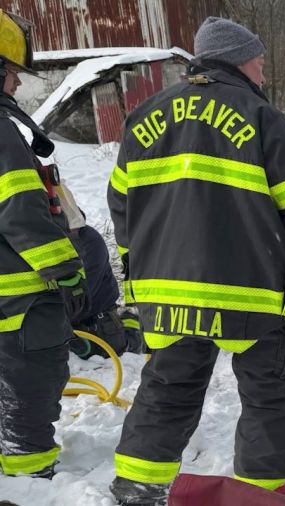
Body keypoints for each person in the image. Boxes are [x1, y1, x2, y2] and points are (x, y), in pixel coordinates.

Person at [106, 17, 285, 505]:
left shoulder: (144, 118)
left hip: (168, 293)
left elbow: (123, 207)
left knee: (167, 389)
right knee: (270, 400)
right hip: (258, 293)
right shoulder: (261, 116)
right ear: (240, 59)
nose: (263, 75)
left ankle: (138, 489)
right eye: (261, 64)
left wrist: (140, 268)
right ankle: (259, 495)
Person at [0, 9, 89, 478]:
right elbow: (21, 212)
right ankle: (32, 478)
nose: (16, 84)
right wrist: (67, 272)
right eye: (12, 73)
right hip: (18, 298)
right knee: (30, 387)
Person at [57, 184, 142, 358]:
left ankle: (132, 325)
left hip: (98, 325)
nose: (72, 234)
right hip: (70, 322)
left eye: (73, 230)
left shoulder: (89, 242)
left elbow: (78, 300)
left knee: (125, 347)